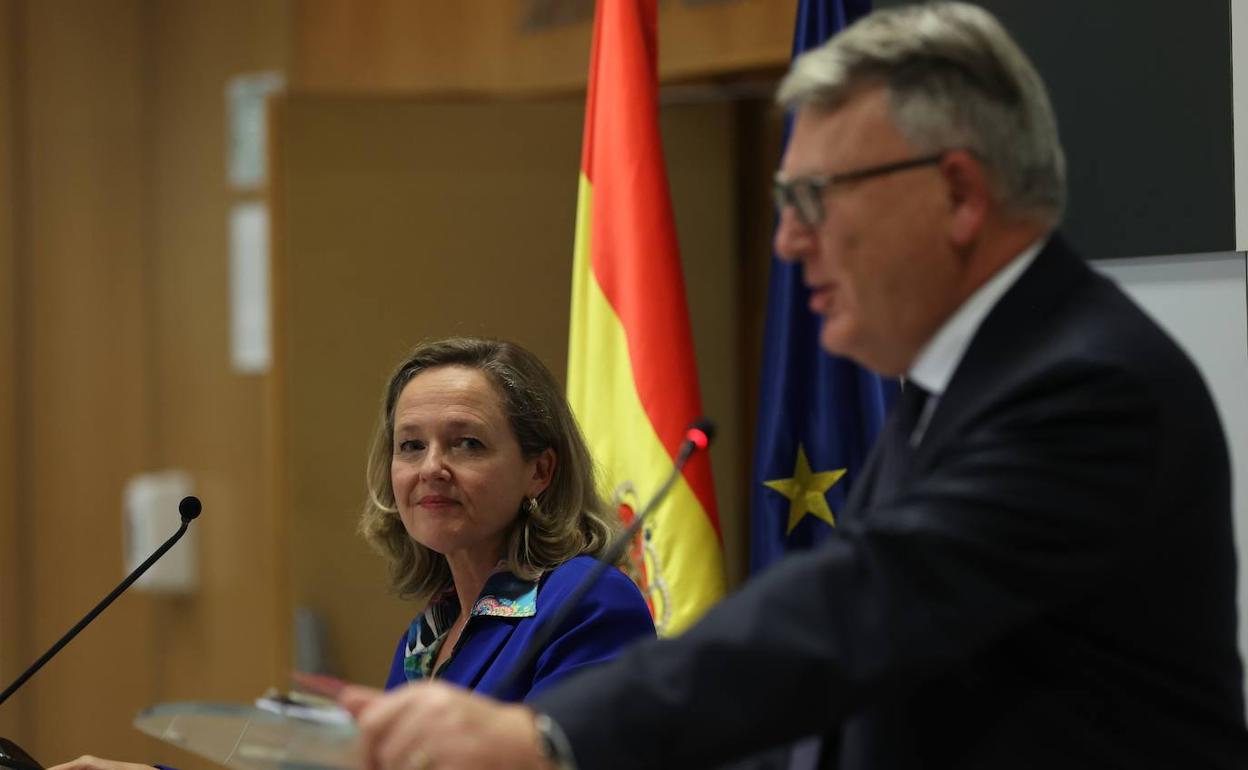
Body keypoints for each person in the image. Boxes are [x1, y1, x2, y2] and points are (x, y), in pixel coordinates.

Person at [340, 4, 1248, 769]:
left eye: (817, 199)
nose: (788, 241)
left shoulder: (1081, 388)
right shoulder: (950, 388)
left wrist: (550, 731)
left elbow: (861, 607)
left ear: (960, 194)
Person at [50, 337, 654, 770]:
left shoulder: (585, 600)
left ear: (539, 471)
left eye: (466, 443)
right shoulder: (429, 633)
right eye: (411, 445)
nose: (432, 469)